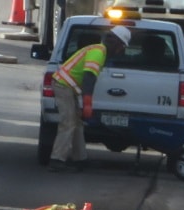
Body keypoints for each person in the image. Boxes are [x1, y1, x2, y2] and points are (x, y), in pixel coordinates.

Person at [49, 24, 131, 173]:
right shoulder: (98, 53)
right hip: (63, 85)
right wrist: (87, 103)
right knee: (68, 122)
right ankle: (56, 160)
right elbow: (89, 78)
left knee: (77, 124)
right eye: (122, 46)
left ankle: (80, 159)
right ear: (116, 43)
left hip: (68, 86)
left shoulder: (100, 51)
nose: (121, 50)